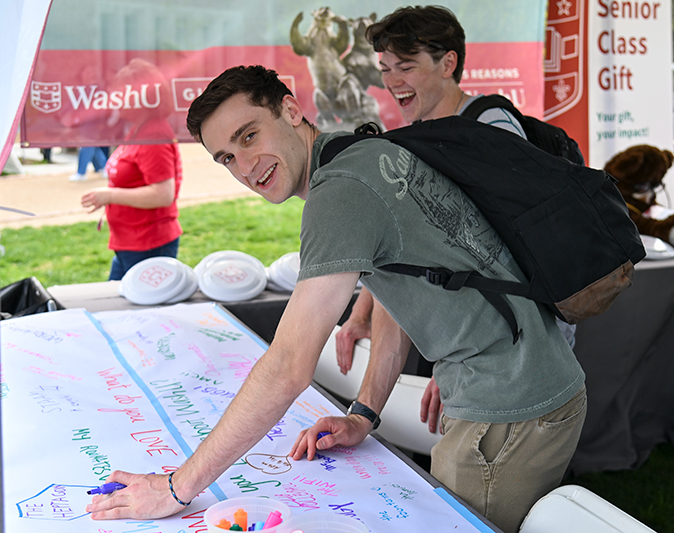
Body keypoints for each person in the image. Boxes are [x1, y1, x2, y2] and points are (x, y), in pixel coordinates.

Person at [86, 65, 587, 533]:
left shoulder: (341, 191)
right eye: (227, 158)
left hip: (511, 404)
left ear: (290, 109)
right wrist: (365, 413)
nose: (245, 166)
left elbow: (287, 367)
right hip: (517, 383)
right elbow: (400, 289)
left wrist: (177, 487)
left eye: (249, 136)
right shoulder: (357, 151)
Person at [335, 7, 577, 433]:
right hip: (479, 336)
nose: (392, 81)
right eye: (385, 68)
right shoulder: (423, 135)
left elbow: (506, 257)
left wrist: (461, 367)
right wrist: (360, 312)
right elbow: (404, 245)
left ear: (448, 63)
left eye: (406, 66)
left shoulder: (488, 128)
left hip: (521, 345)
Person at [80, 59, 183, 280]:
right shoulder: (139, 129)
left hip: (148, 243)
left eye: (122, 94)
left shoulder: (154, 135)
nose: (117, 100)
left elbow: (163, 194)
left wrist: (109, 195)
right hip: (132, 241)